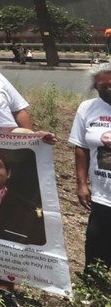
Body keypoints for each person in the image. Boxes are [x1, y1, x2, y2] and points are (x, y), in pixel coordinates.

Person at [70, 62, 111, 285]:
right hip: (103, 193)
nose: (107, 91)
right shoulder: (88, 108)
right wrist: (82, 183)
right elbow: (81, 147)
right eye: (101, 87)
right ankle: (95, 287)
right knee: (97, 241)